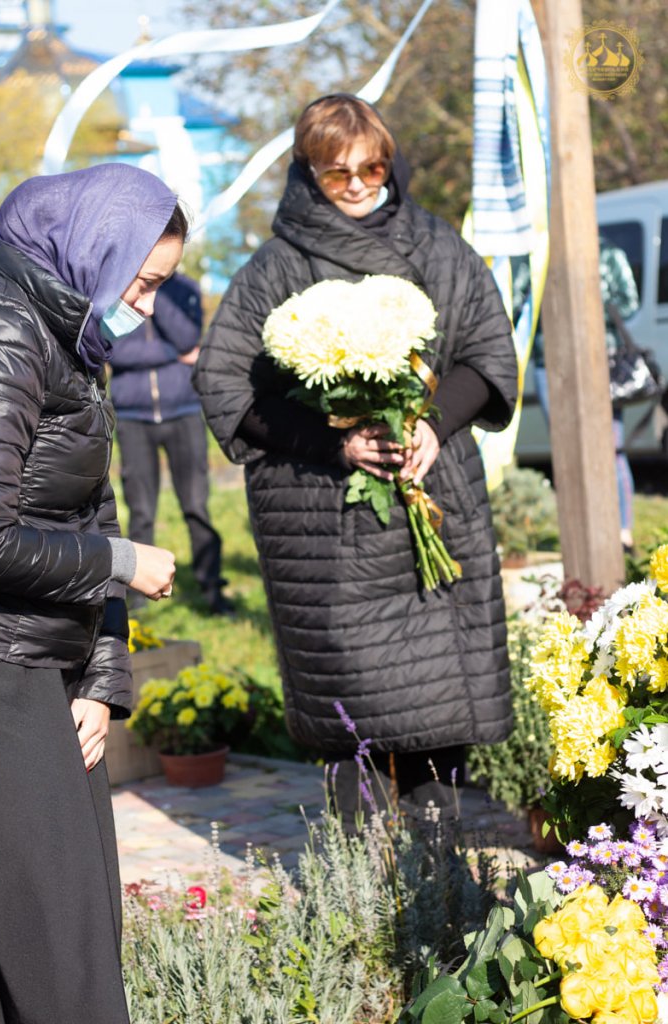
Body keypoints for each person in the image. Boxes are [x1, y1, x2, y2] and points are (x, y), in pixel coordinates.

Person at [194, 94, 518, 822]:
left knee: (439, 705)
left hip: (434, 492)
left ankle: (438, 873)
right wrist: (335, 441)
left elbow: (486, 353)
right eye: (338, 173)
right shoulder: (276, 266)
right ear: (308, 174)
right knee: (356, 718)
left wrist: (432, 424)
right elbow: (223, 384)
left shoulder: (439, 247)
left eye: (372, 168)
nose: (360, 186)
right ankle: (359, 874)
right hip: (328, 523)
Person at [0, 163, 185, 1024]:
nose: (148, 307)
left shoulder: (69, 335)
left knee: (70, 945)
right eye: (144, 282)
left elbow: (86, 510)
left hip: (50, 674)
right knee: (57, 967)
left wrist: (101, 682)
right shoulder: (5, 330)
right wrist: (120, 561)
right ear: (94, 251)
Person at [109, 271, 233, 615]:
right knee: (141, 510)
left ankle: (212, 588)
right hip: (134, 417)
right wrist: (174, 353)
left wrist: (158, 290)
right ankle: (136, 595)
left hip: (184, 413)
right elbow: (116, 351)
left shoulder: (185, 288)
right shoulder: (118, 286)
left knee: (197, 505)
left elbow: (187, 337)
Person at [518, 237, 639, 552]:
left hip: (601, 357)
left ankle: (623, 532)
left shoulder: (609, 253)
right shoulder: (538, 255)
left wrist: (586, 306)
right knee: (566, 448)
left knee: (612, 446)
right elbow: (518, 303)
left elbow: (630, 303)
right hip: (550, 361)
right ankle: (580, 529)